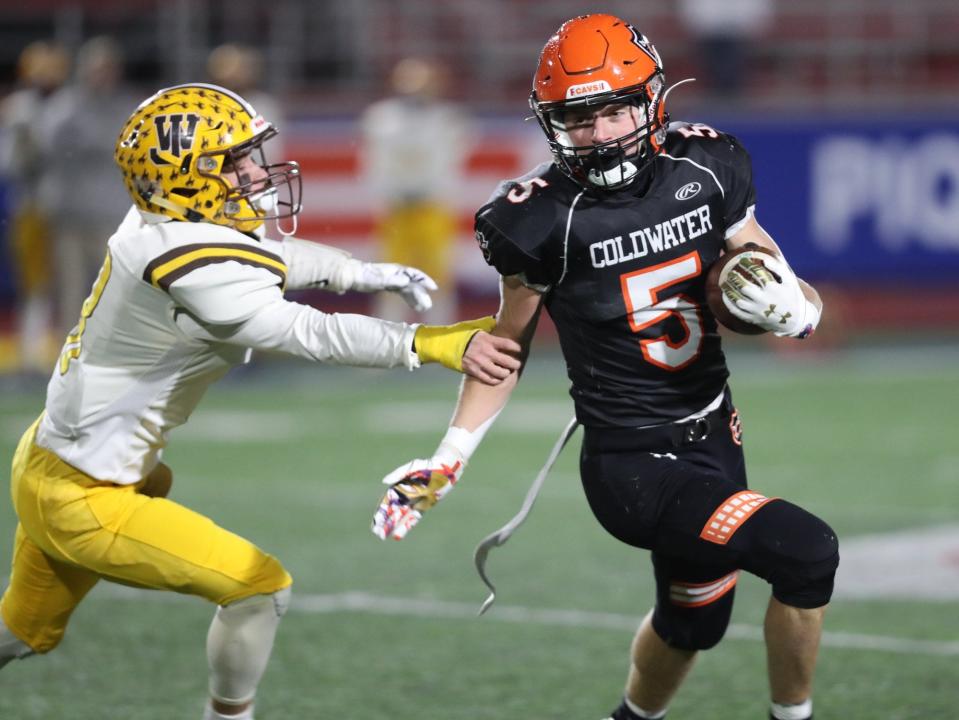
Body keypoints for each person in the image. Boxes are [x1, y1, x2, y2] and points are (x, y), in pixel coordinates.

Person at [0, 83, 521, 720]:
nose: (253, 171)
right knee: (257, 588)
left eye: (250, 153)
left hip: (62, 463)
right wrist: (434, 343)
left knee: (19, 635)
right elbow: (311, 331)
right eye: (233, 160)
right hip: (83, 494)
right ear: (186, 177)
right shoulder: (187, 260)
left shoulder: (163, 221)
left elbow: (257, 255)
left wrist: (361, 273)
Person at [371, 15, 838, 720]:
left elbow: (770, 272)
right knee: (806, 552)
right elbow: (506, 348)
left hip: (715, 436)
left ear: (651, 99)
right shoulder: (535, 218)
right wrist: (450, 455)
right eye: (576, 118)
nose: (598, 132)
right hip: (632, 466)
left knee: (693, 625)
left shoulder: (706, 165)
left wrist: (799, 312)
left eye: (614, 109)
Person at [35, 35, 138, 337]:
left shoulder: (126, 106)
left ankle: (121, 354)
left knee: (119, 288)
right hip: (69, 214)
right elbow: (46, 147)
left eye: (106, 69)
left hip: (111, 215)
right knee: (70, 291)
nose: (101, 76)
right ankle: (70, 361)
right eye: (96, 69)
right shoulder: (64, 106)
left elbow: (134, 151)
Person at [359, 57, 473, 324]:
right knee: (389, 274)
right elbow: (373, 162)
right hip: (397, 206)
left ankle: (442, 335)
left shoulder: (448, 119)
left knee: (437, 274)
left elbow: (452, 160)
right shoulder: (381, 118)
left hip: (431, 205)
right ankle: (386, 335)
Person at [0, 40, 70, 372]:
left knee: (70, 282)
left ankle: (64, 352)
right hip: (31, 205)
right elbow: (10, 163)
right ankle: (31, 354)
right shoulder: (19, 108)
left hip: (70, 207)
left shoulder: (70, 105)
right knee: (34, 284)